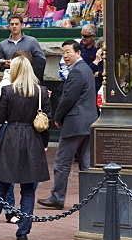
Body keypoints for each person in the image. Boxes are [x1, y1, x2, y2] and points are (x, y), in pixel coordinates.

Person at [0, 55, 52, 240]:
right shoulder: (41, 91)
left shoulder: (9, 91)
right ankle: (23, 231)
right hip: (33, 138)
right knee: (28, 189)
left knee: (1, 187)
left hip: (11, 137)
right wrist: (44, 143)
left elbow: (0, 118)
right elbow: (46, 121)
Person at [37, 40, 96, 210]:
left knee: (62, 162)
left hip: (75, 123)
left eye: (68, 52)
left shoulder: (77, 71)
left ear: (78, 53)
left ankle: (57, 197)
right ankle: (88, 198)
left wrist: (57, 116)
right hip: (88, 122)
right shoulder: (86, 69)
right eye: (63, 52)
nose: (65, 56)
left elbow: (68, 98)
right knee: (86, 163)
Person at [0, 15, 47, 82]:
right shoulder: (3, 44)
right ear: (9, 26)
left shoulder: (31, 41)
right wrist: (5, 65)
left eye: (17, 24)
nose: (14, 26)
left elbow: (41, 60)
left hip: (28, 78)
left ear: (22, 25)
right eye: (12, 24)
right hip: (11, 78)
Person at [78, 23, 104, 93]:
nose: (83, 38)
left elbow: (99, 71)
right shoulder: (77, 48)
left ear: (93, 36)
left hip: (93, 86)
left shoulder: (97, 50)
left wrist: (97, 74)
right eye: (82, 35)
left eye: (86, 36)